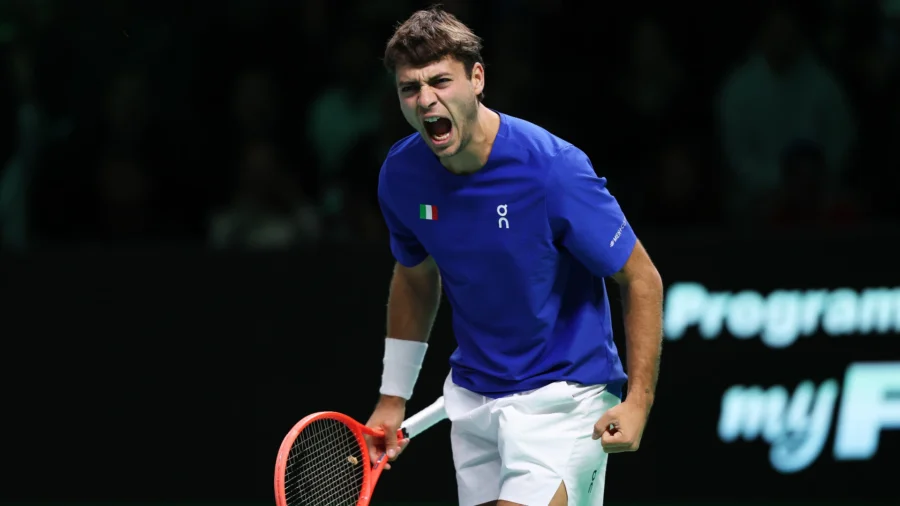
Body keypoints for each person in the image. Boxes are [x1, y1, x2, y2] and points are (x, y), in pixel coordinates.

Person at [366, 7, 664, 506]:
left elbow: (641, 279)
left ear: (477, 78)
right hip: (473, 400)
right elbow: (416, 278)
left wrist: (639, 400)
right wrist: (393, 398)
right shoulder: (401, 176)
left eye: (440, 81)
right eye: (410, 89)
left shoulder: (553, 170)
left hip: (564, 399)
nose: (426, 100)